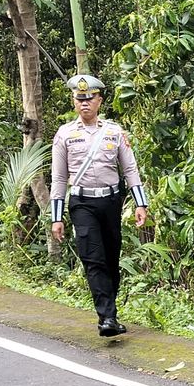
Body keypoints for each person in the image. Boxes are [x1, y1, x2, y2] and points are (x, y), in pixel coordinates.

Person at [49, 74, 148, 338]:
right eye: (79, 99)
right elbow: (58, 178)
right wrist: (56, 217)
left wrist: (141, 203)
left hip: (110, 201)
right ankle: (107, 317)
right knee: (93, 258)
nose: (84, 103)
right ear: (73, 102)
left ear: (99, 101)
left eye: (89, 98)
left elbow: (130, 168)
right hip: (82, 202)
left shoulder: (114, 132)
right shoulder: (65, 135)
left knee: (111, 258)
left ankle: (110, 312)